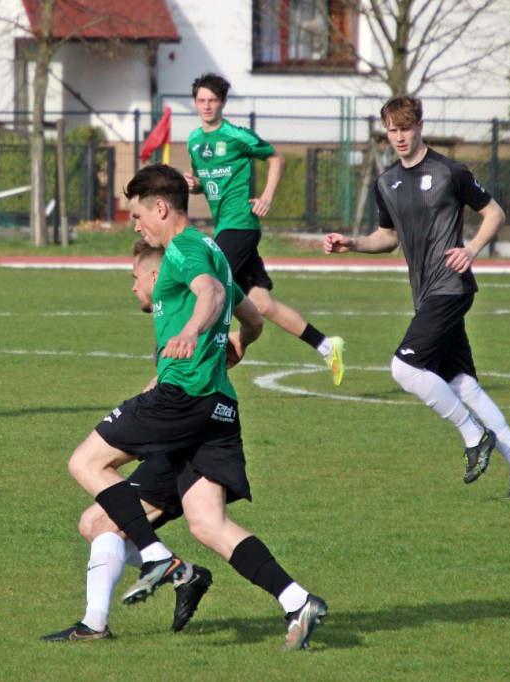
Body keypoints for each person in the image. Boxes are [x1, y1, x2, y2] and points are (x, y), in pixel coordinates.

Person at [67, 164, 327, 651]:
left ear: (161, 207)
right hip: (217, 408)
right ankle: (298, 601)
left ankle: (157, 558)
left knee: (85, 462)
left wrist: (193, 331)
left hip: (183, 397)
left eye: (139, 215)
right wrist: (239, 341)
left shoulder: (184, 250)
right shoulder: (214, 251)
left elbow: (207, 294)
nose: (137, 226)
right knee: (208, 523)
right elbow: (251, 316)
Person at [324, 94, 510, 500]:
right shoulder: (386, 181)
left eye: (405, 128)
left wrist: (472, 249)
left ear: (420, 125)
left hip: (451, 287)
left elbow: (494, 212)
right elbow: (387, 238)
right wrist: (352, 243)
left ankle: (472, 434)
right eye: (392, 131)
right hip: (426, 294)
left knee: (403, 368)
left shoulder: (450, 171)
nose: (399, 137)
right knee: (462, 384)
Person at [43, 241, 214, 642]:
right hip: (171, 440)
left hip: (186, 450)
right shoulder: (172, 319)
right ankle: (180, 574)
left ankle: (99, 621)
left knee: (98, 503)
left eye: (135, 278)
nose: (133, 287)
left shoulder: (192, 310)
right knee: (93, 522)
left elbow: (232, 328)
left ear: (157, 277)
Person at [184, 72, 345, 386]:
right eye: (201, 100)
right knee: (263, 305)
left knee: (210, 288)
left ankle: (200, 363)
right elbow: (206, 184)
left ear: (222, 103)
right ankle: (327, 345)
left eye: (212, 100)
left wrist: (267, 197)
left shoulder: (237, 136)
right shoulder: (193, 141)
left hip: (240, 225)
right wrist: (194, 186)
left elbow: (276, 158)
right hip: (227, 227)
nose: (206, 106)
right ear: (195, 102)